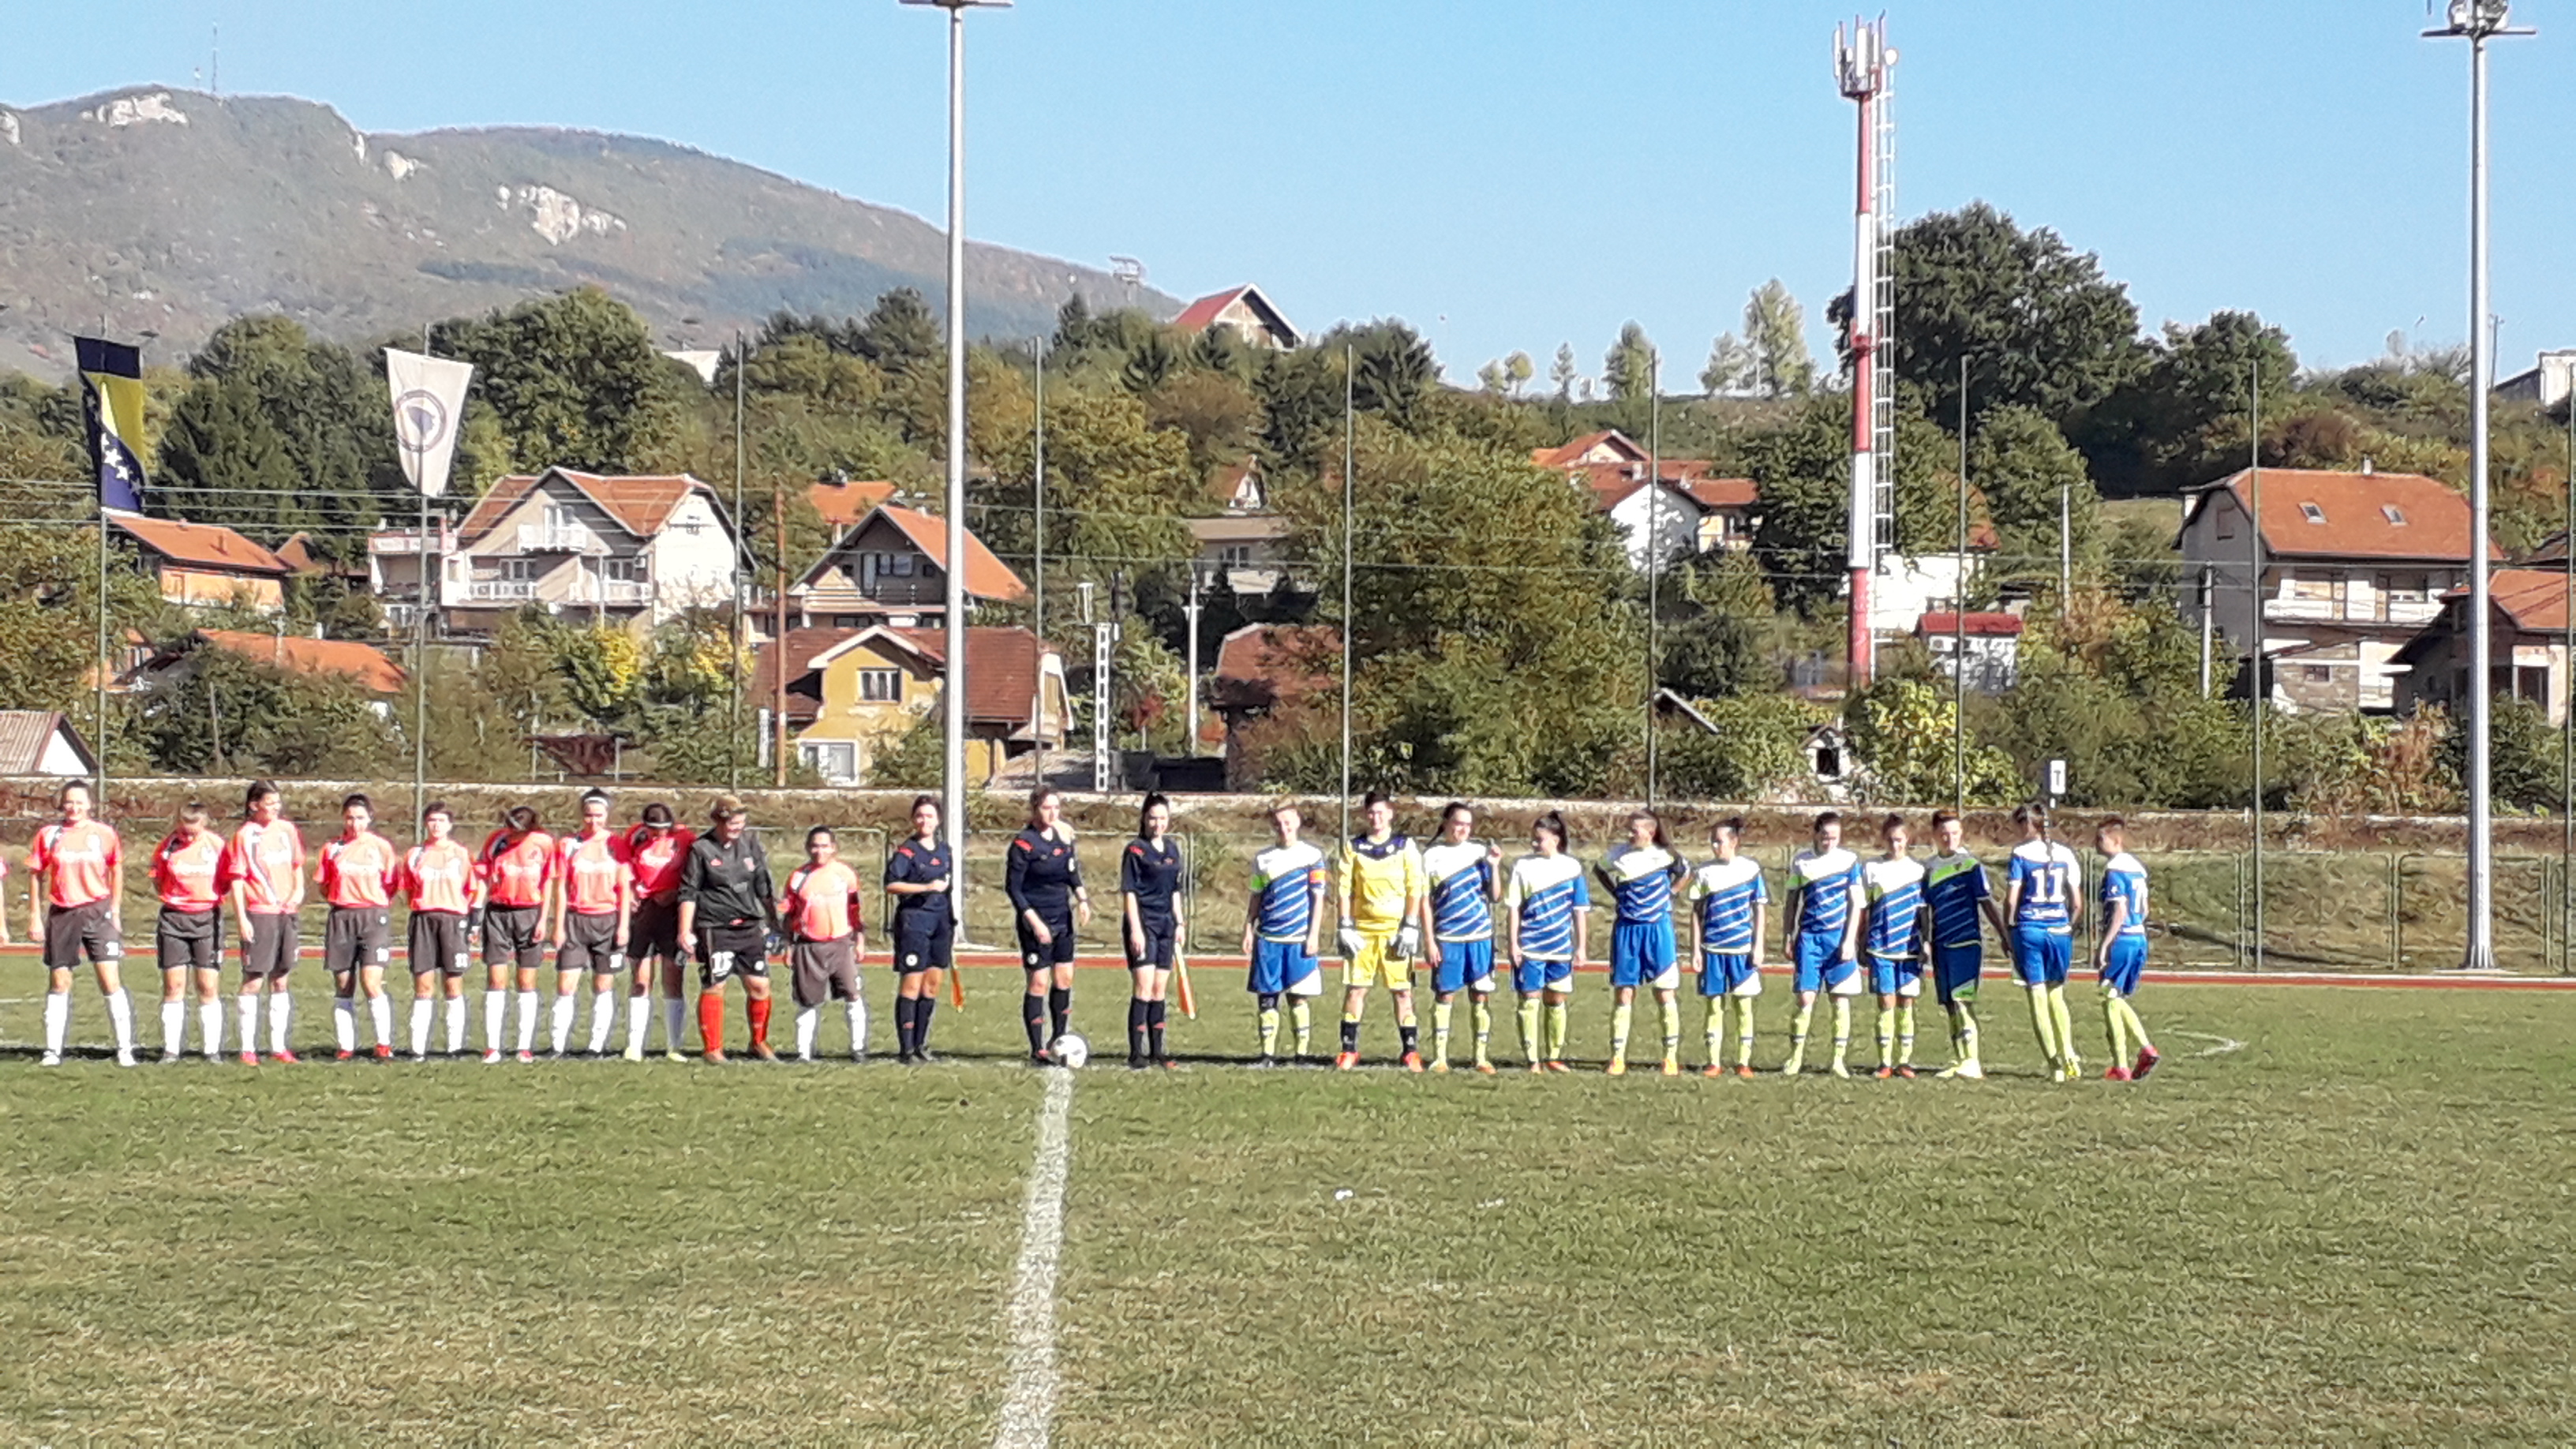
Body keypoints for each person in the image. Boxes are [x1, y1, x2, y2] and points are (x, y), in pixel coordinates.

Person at [29, 781, 130, 1067]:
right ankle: (52, 1051)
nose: (74, 807)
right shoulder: (49, 834)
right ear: (62, 804)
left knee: (110, 980)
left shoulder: (104, 834)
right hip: (63, 913)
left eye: (79, 802)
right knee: (60, 981)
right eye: (69, 802)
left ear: (90, 804)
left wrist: (115, 909)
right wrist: (35, 915)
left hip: (98, 911)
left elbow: (116, 869)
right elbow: (36, 874)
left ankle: (125, 1049)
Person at [679, 796, 779, 1063]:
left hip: (749, 925)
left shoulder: (751, 844)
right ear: (719, 821)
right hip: (715, 926)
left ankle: (759, 1042)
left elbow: (763, 886)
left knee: (759, 984)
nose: (737, 828)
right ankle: (713, 1049)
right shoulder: (701, 849)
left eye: (741, 822)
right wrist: (685, 930)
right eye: (732, 823)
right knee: (716, 984)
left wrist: (774, 921)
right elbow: (689, 892)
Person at [1335, 790, 1425, 1071]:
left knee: (1402, 991)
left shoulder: (1405, 846)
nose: (1376, 818)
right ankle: (1348, 1050)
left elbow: (1415, 886)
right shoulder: (1354, 847)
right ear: (1366, 815)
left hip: (1396, 931)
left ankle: (1410, 1051)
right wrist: (1345, 924)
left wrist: (1411, 924)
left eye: (1381, 812)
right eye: (1371, 813)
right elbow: (1344, 888)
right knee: (1356, 989)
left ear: (1391, 814)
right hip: (1362, 931)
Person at [1596, 809, 1687, 1076]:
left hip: (1658, 930)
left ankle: (1670, 1058)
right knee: (1624, 992)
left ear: (1650, 832)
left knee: (1664, 992)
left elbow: (1685, 872)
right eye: (1629, 829)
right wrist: (1616, 892)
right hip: (1627, 929)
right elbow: (1599, 870)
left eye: (1634, 830)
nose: (1629, 834)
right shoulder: (1618, 854)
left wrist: (1671, 893)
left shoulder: (1666, 855)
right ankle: (1617, 1058)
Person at [1922, 809, 2009, 1080]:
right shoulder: (1929, 868)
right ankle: (1959, 1057)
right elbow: (1924, 909)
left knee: (1962, 1000)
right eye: (1944, 834)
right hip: (1941, 943)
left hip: (1966, 941)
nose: (1950, 839)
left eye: (1955, 833)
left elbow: (1986, 902)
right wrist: (1925, 940)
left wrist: (2004, 935)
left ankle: (1973, 1060)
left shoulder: (1970, 865)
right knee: (1949, 1003)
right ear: (1935, 835)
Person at [1005, 788, 1090, 1065]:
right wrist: (1034, 922)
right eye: (1046, 808)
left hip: (1061, 917)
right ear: (1034, 809)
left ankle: (1059, 1040)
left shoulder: (1063, 838)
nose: (1052, 813)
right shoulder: (1024, 844)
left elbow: (1072, 874)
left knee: (1064, 979)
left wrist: (1083, 899)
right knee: (1039, 981)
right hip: (1035, 920)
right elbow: (1014, 889)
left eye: (1056, 807)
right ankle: (1037, 1047)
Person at [223, 781, 305, 1065]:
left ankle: (279, 1047)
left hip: (286, 913)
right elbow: (237, 880)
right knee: (254, 980)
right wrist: (242, 918)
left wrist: (298, 891)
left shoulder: (287, 830)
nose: (275, 808)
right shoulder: (244, 836)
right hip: (260, 913)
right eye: (269, 803)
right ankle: (248, 1048)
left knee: (281, 979)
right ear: (254, 805)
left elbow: (297, 865)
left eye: (277, 803)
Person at [315, 793, 400, 1061]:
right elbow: (323, 884)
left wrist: (372, 902)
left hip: (373, 917)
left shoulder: (381, 847)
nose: (355, 824)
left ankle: (383, 1044)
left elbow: (391, 884)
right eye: (350, 818)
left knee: (371, 982)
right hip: (342, 916)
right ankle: (346, 1046)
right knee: (344, 983)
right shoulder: (332, 848)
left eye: (360, 818)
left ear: (370, 818)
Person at [1420, 803, 1503, 1074]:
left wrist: (1495, 866)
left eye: (1468, 824)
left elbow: (1495, 896)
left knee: (1480, 995)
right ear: (1446, 823)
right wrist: (1429, 940)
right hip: (1448, 937)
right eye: (1458, 823)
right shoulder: (1431, 856)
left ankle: (1481, 1058)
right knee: (1445, 995)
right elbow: (1424, 902)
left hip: (1480, 937)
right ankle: (1440, 1058)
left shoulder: (1479, 853)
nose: (1463, 829)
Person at [1241, 802, 1327, 1067]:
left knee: (1298, 998)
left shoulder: (1312, 856)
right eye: (1278, 823)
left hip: (1298, 939)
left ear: (1298, 821)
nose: (1283, 827)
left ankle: (1301, 1055)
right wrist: (1248, 928)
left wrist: (1314, 934)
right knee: (1267, 998)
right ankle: (1267, 1055)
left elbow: (1318, 899)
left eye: (1288, 822)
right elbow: (1256, 896)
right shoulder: (1263, 859)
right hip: (1269, 939)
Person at [549, 788, 631, 1058]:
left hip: (607, 919)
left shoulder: (617, 844)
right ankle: (558, 1045)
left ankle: (596, 1046)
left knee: (602, 985)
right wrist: (558, 926)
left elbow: (624, 888)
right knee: (566, 985)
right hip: (576, 920)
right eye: (588, 815)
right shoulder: (569, 844)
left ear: (607, 815)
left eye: (598, 815)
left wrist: (623, 926)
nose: (593, 821)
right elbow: (561, 887)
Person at [1781, 811, 1865, 1077]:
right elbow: (1791, 902)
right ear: (1816, 834)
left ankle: (1838, 1061)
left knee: (1840, 999)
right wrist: (1788, 935)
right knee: (1805, 998)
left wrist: (1850, 939)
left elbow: (1856, 904)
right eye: (1825, 836)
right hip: (1809, 938)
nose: (1829, 842)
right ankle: (1795, 1057)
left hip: (1838, 938)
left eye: (1835, 837)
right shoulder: (1801, 861)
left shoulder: (1849, 861)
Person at [1503, 811, 1588, 1073]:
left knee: (1556, 999)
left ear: (1555, 839)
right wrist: (1513, 943)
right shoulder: (1522, 866)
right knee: (1530, 999)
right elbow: (1513, 908)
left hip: (1560, 947)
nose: (1534, 843)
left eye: (1539, 839)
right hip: (1531, 946)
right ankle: (1532, 1060)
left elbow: (1579, 911)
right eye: (1533, 838)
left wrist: (1581, 946)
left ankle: (1554, 1056)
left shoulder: (1572, 868)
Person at [2005, 803, 2084, 1083]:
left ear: (2027, 825)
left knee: (2037, 996)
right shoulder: (2066, 854)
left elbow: (2012, 899)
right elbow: (2077, 903)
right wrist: (2068, 926)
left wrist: (2009, 930)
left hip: (2031, 928)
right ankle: (2069, 1054)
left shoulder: (2021, 853)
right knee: (2057, 995)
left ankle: (2055, 1065)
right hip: (2059, 929)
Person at [1686, 816, 1765, 1079]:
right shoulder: (1704, 872)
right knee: (1714, 1006)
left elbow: (1759, 909)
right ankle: (1713, 1062)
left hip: (1742, 951)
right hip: (1713, 950)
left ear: (1734, 842)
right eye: (1712, 841)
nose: (1714, 846)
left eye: (1719, 841)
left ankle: (1744, 1062)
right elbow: (1696, 913)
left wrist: (1759, 945)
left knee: (1744, 1007)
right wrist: (1696, 950)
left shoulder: (1751, 870)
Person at [474, 806, 555, 1064]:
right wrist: (475, 916)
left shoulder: (544, 843)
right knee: (496, 979)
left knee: (526, 981)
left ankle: (524, 1047)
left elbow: (549, 882)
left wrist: (543, 919)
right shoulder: (496, 841)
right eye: (509, 827)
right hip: (498, 912)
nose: (512, 834)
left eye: (518, 830)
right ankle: (492, 1047)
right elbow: (482, 877)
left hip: (530, 912)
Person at [398, 802, 476, 1059]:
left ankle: (454, 1048)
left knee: (453, 982)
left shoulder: (461, 853)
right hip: (423, 919)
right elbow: (408, 890)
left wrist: (466, 917)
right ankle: (418, 1049)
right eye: (432, 820)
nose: (436, 825)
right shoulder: (415, 854)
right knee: (423, 984)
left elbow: (471, 889)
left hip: (453, 920)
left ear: (450, 825)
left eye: (441, 820)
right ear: (425, 823)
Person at [782, 826, 866, 1063]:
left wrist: (860, 940)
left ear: (834, 848)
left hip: (841, 944)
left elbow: (855, 911)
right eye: (815, 846)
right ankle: (803, 1053)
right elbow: (789, 914)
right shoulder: (798, 877)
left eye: (825, 846)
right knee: (808, 1000)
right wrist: (788, 946)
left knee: (853, 994)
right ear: (808, 848)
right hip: (809, 946)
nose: (820, 851)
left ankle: (858, 1049)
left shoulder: (846, 874)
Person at [149, 803, 223, 1062]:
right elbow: (157, 877)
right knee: (174, 985)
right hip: (174, 919)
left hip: (207, 918)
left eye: (194, 833)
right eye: (184, 832)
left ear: (204, 825)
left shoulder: (216, 846)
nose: (189, 838)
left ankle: (211, 1051)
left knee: (207, 985)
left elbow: (229, 879)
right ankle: (171, 1050)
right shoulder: (168, 847)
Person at [624, 802, 698, 1061]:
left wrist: (676, 893)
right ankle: (635, 1045)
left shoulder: (685, 839)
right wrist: (631, 892)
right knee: (641, 979)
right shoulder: (636, 835)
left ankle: (674, 1045)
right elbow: (625, 868)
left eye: (663, 829)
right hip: (645, 910)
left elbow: (693, 874)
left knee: (673, 978)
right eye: (654, 830)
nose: (659, 835)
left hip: (673, 912)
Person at [884, 796, 954, 1064]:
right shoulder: (907, 852)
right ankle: (906, 1048)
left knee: (932, 984)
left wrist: (951, 920)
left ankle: (921, 1044)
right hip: (914, 922)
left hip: (940, 923)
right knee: (912, 982)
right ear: (914, 819)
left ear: (938, 820)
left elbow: (947, 888)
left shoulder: (945, 851)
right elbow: (891, 884)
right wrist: (925, 888)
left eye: (930, 816)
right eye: (920, 816)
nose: (925, 821)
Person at [1119, 793, 1187, 1070]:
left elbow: (1175, 891)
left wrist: (1180, 923)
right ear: (1144, 819)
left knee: (1160, 989)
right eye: (1152, 818)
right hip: (1144, 922)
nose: (1157, 823)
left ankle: (1158, 1050)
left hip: (1166, 924)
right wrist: (1135, 929)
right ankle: (1137, 1053)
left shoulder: (1172, 849)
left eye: (1162, 818)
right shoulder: (1135, 851)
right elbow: (1130, 892)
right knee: (1144, 987)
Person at [1860, 814, 1929, 1080]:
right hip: (1881, 947)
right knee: (1886, 1001)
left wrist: (1926, 941)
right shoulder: (1872, 868)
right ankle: (1885, 1062)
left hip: (1909, 948)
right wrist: (1861, 940)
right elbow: (1864, 909)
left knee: (1907, 1002)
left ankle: (1905, 1061)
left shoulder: (1919, 871)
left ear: (1907, 840)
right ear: (1883, 840)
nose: (1895, 844)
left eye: (1899, 840)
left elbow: (1923, 912)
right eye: (1890, 840)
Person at [2095, 818, 2161, 1082]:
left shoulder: (2115, 869)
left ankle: (2124, 1062)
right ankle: (2140, 1053)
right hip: (2139, 937)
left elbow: (2120, 910)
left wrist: (2105, 945)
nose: (2096, 843)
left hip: (2122, 939)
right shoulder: (2137, 868)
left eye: (2101, 838)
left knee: (2110, 997)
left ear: (2116, 840)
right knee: (2116, 996)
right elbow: (2144, 909)